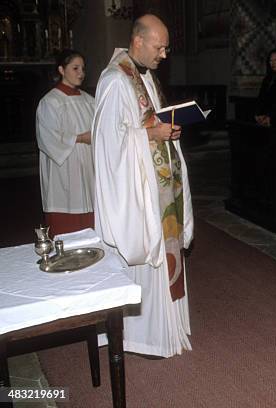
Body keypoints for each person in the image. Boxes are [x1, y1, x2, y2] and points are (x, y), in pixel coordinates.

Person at [92, 14, 194, 358]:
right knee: (142, 262)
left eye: (166, 47)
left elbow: (152, 122)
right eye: (159, 46)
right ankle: (140, 337)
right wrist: (151, 134)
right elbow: (107, 142)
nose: (164, 54)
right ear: (138, 40)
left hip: (157, 186)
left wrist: (169, 131)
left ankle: (164, 332)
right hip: (137, 192)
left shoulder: (145, 78)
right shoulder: (115, 80)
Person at [36, 49, 95, 237]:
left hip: (87, 164)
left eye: (83, 69)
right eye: (75, 68)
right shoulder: (50, 102)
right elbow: (47, 137)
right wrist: (79, 138)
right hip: (64, 168)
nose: (81, 73)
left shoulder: (89, 100)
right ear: (61, 70)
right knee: (68, 216)